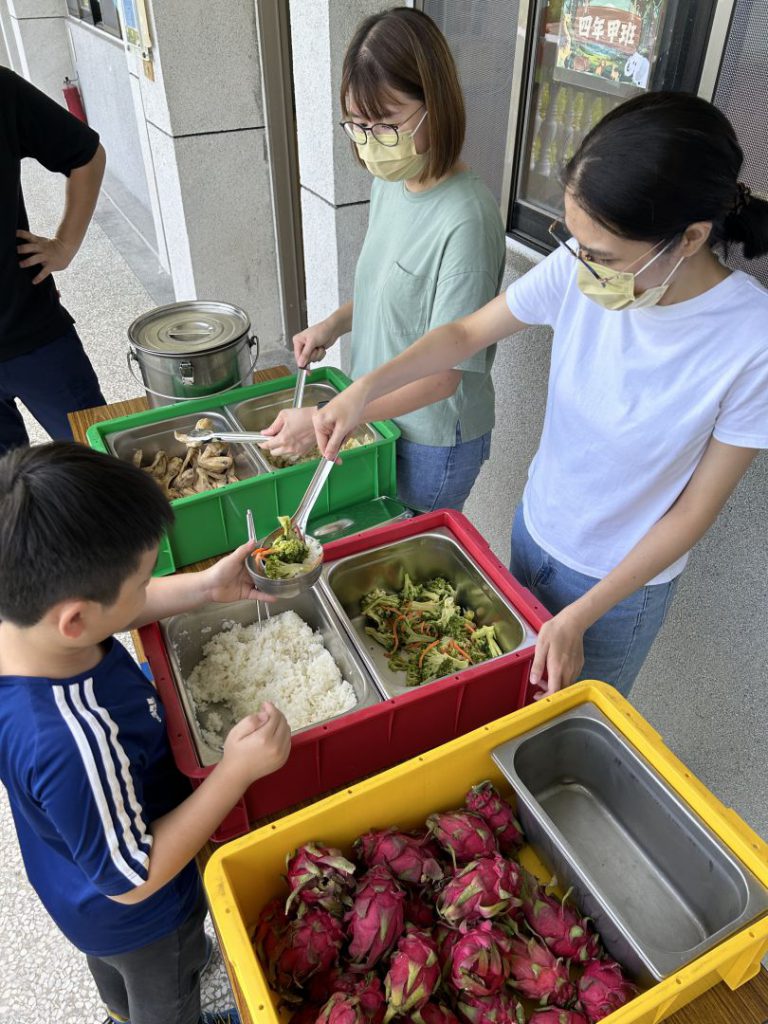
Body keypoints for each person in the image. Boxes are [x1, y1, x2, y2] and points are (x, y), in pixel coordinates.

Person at [312, 92, 768, 698]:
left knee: (556, 723)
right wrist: (362, 391)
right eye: (574, 241)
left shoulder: (750, 339)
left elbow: (692, 514)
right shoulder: (580, 267)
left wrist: (581, 615)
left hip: (616, 592)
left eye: (602, 255)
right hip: (535, 534)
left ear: (688, 239)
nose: (583, 265)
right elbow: (464, 334)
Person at [0, 443, 291, 1024]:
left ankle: (119, 1008)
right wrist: (235, 771)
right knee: (165, 994)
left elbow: (115, 607)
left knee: (117, 975)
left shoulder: (28, 627)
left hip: (73, 884)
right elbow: (132, 878)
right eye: (142, 583)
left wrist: (204, 588)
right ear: (75, 621)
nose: (148, 590)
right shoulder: (73, 740)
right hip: (142, 917)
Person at [260, 7, 505, 513]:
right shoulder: (391, 184)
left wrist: (331, 414)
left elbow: (445, 375)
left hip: (431, 440)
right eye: (358, 125)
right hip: (375, 416)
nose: (372, 143)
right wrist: (332, 325)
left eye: (387, 125)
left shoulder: (467, 219)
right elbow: (391, 292)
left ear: (436, 106)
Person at [0, 67, 107, 454]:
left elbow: (86, 155)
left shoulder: (2, 91)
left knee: (96, 464)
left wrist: (65, 245)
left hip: (32, 329)